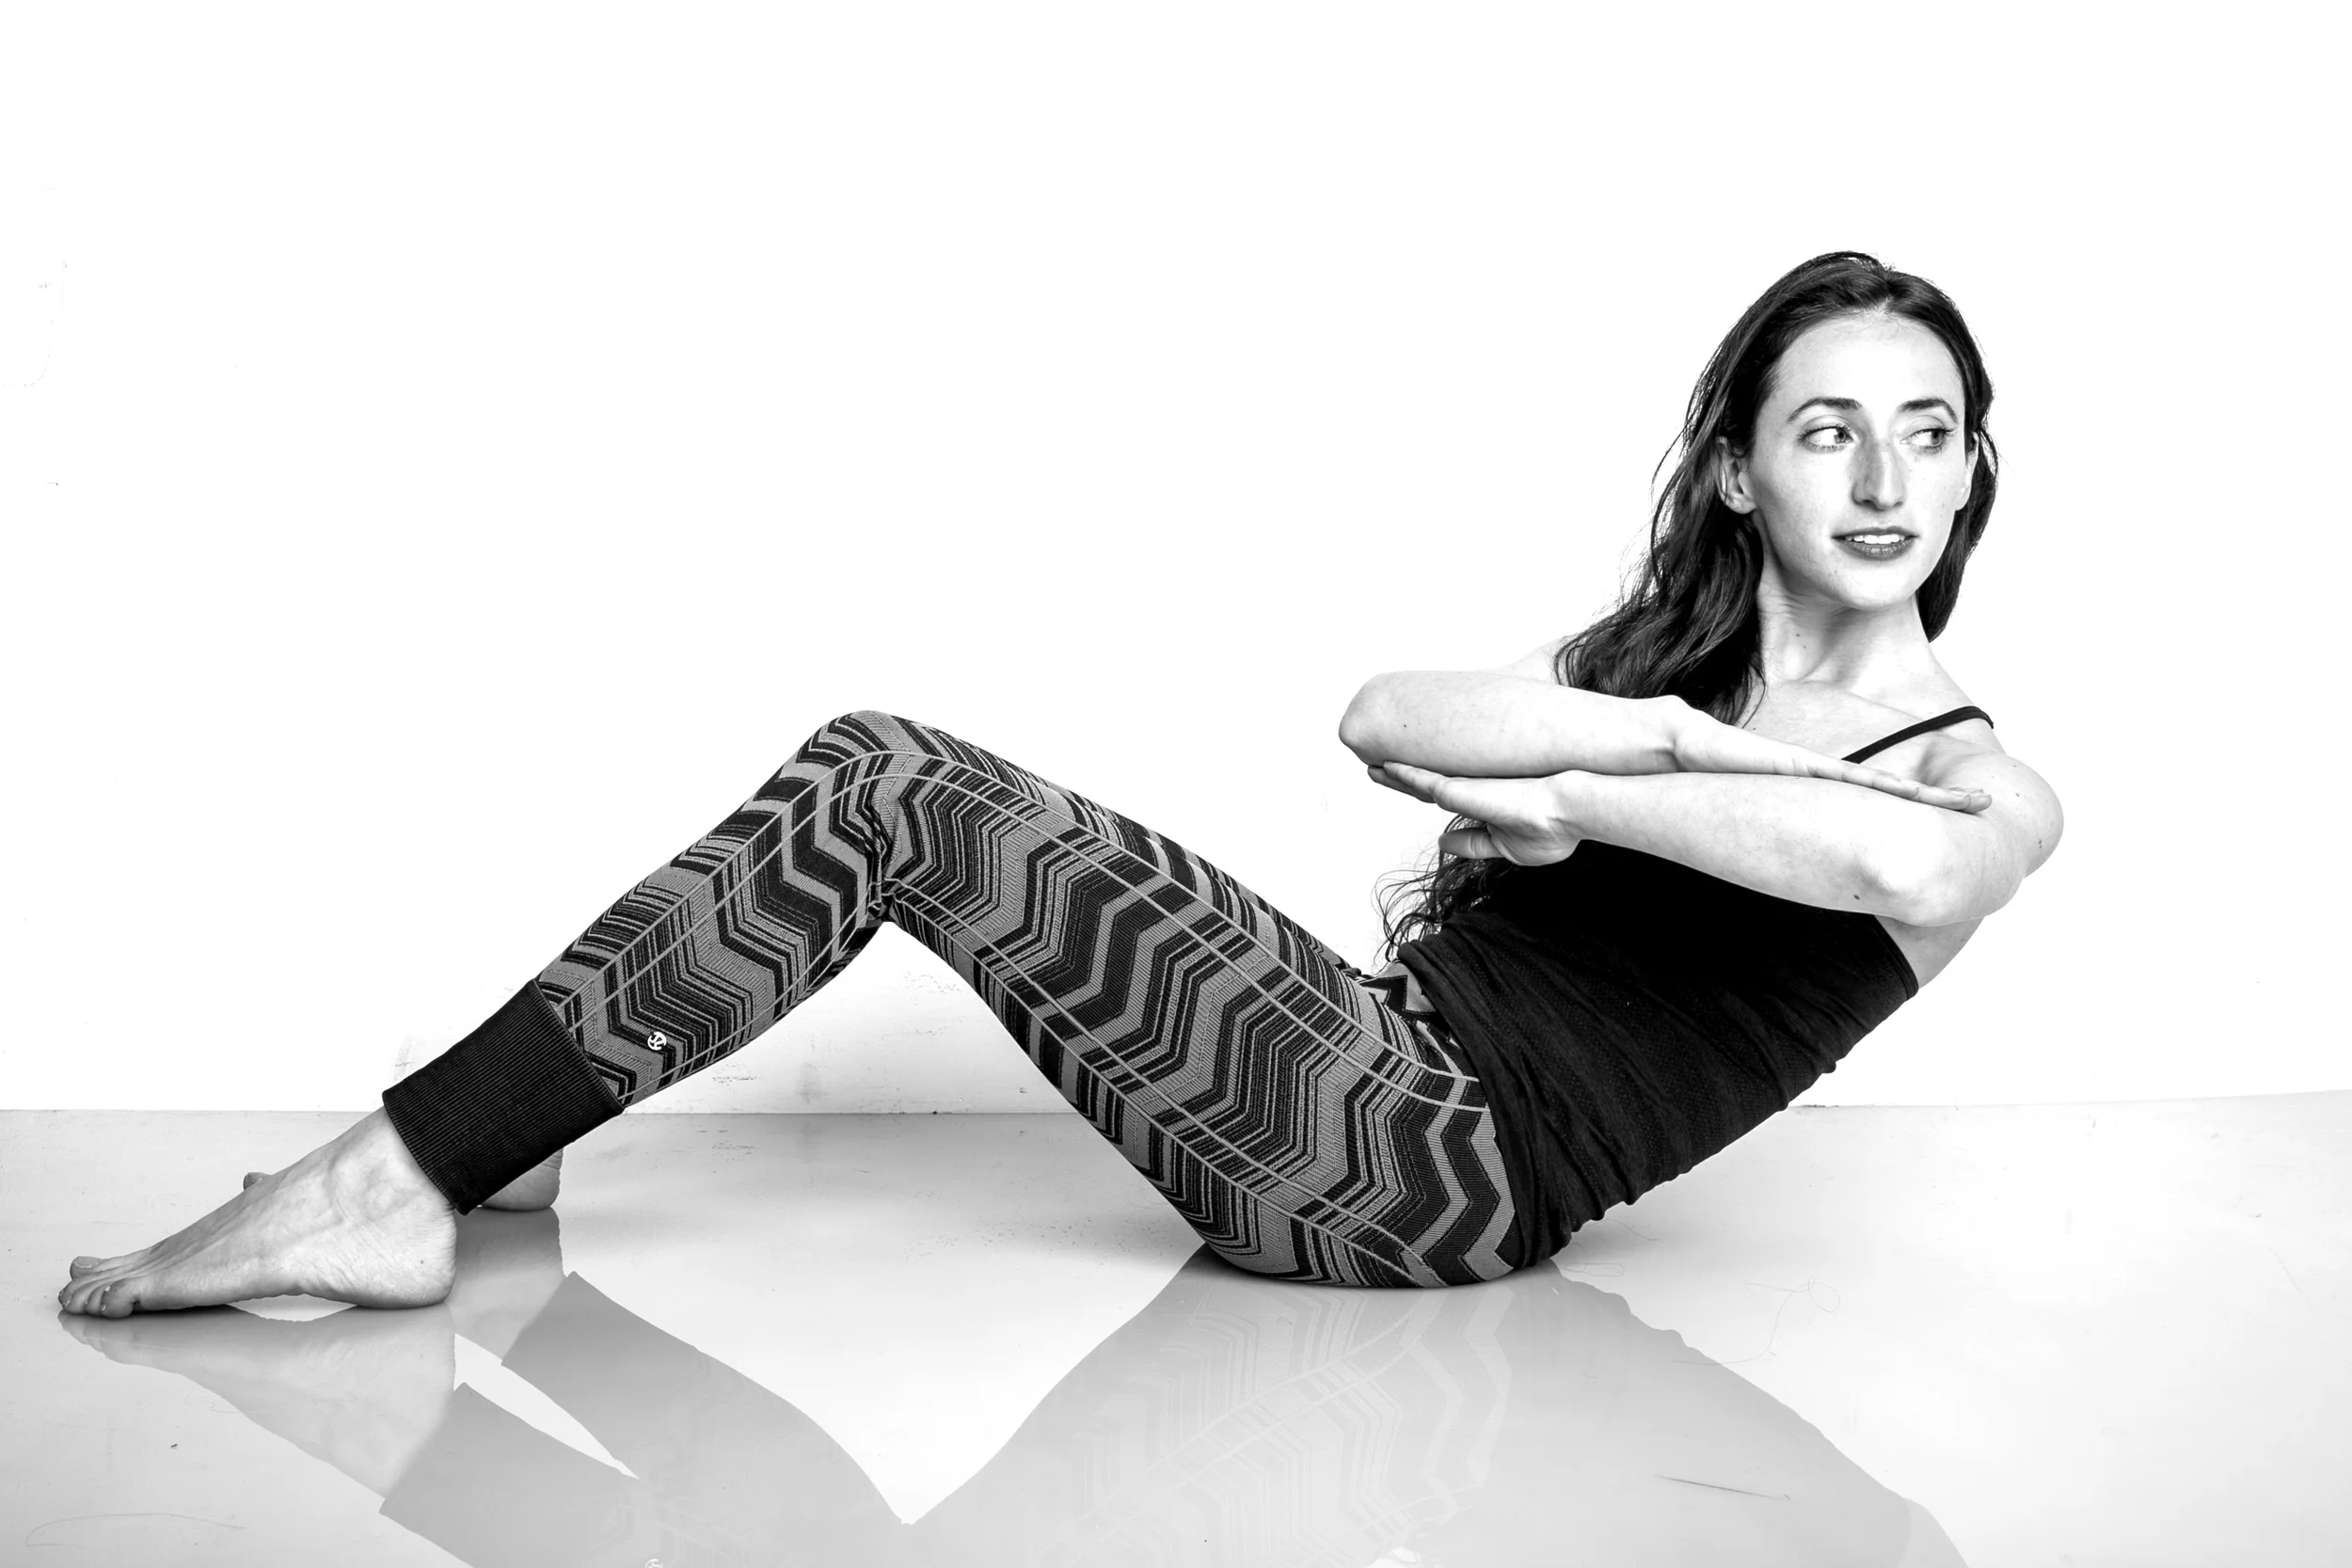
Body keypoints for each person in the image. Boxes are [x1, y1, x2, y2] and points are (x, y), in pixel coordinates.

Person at [56, 250, 2062, 1315]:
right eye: (1828, 428)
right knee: (880, 771)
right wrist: (1657, 731)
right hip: (1379, 1064)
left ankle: (391, 1184)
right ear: (1742, 469)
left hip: (1437, 1177)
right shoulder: (1659, 687)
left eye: (1926, 430)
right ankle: (476, 1138)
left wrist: (1598, 781)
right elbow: (1380, 712)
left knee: (889, 785)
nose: (1883, 477)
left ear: (1972, 466)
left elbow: (1888, 867)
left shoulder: (1977, 782)